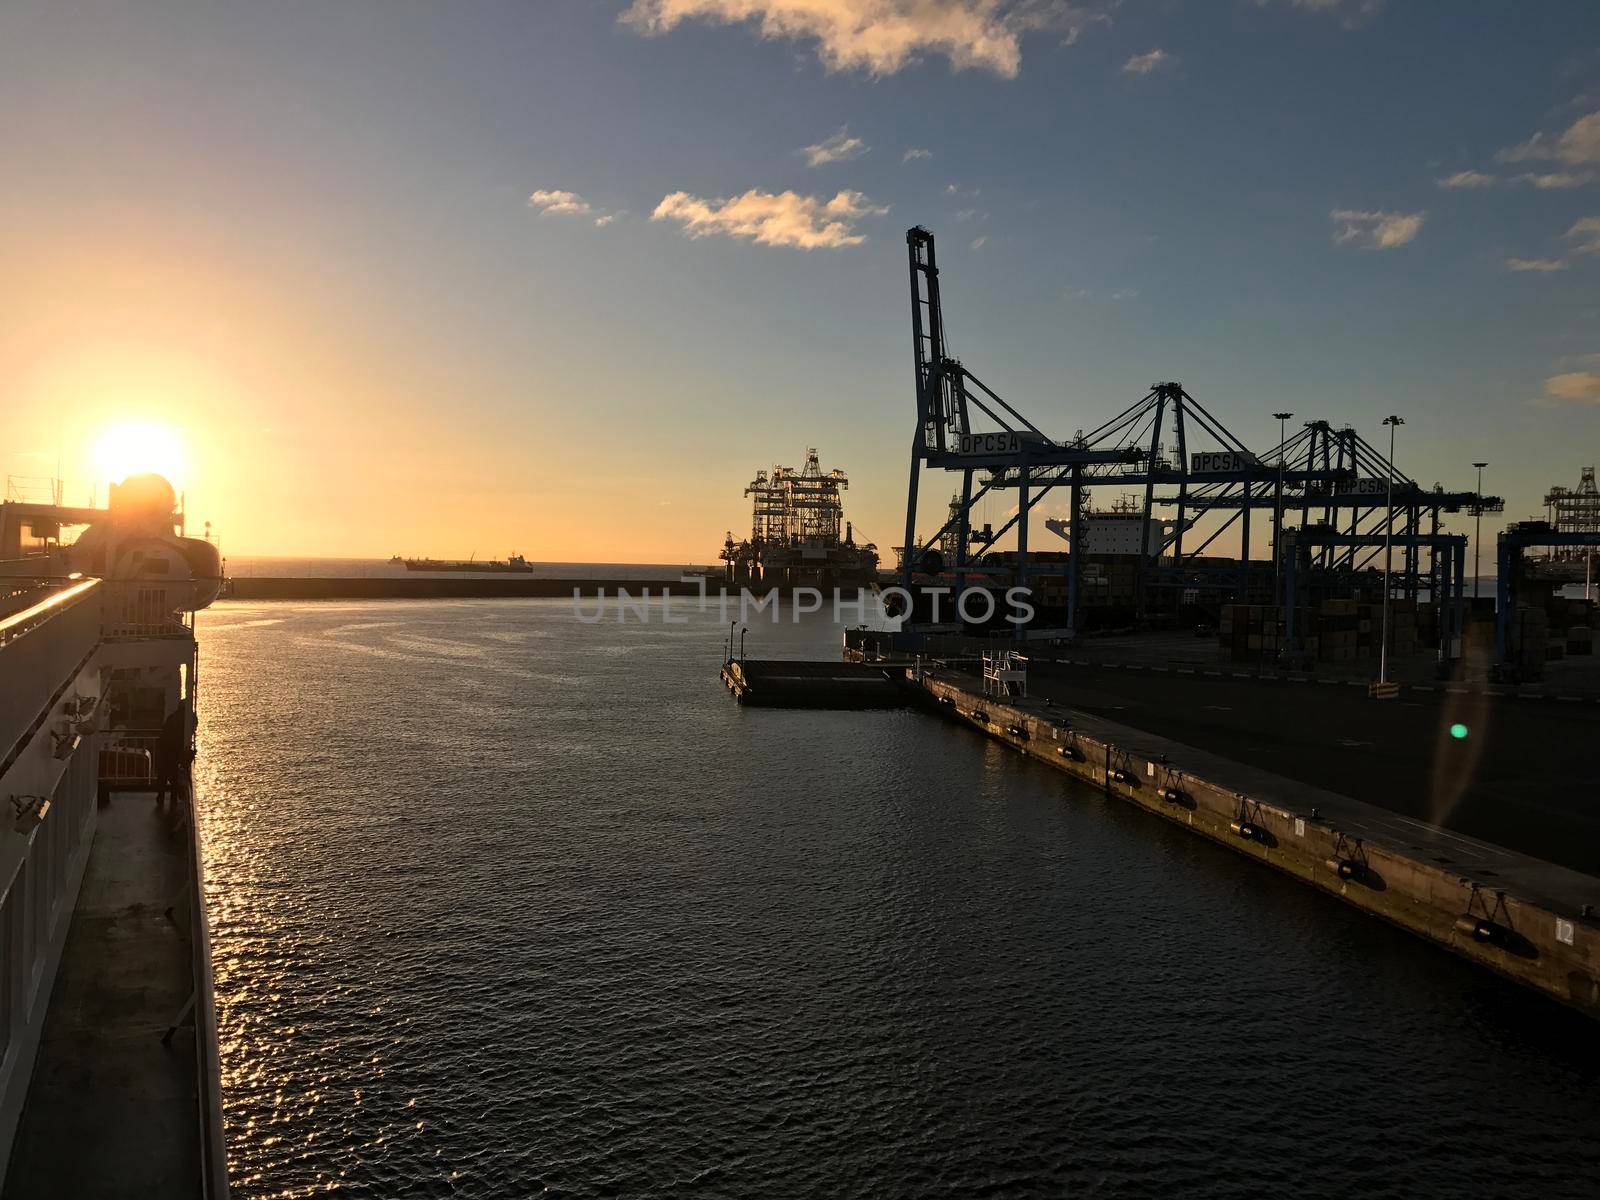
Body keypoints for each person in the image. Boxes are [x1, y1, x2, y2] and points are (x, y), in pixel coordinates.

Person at [154, 702, 194, 809]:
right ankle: (173, 799)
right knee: (173, 775)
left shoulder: (173, 717)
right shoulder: (185, 719)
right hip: (173, 750)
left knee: (164, 774)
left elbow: (165, 732)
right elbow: (192, 727)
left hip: (166, 749)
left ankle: (161, 797)